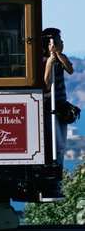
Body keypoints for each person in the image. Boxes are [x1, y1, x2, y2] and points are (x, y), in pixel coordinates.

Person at [42, 27, 74, 196]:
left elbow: (70, 69)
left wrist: (58, 55)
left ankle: (57, 180)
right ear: (51, 42)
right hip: (49, 107)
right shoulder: (43, 60)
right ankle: (53, 180)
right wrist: (49, 63)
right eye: (59, 40)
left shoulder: (62, 58)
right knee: (57, 145)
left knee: (61, 146)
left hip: (61, 106)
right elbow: (46, 85)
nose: (62, 42)